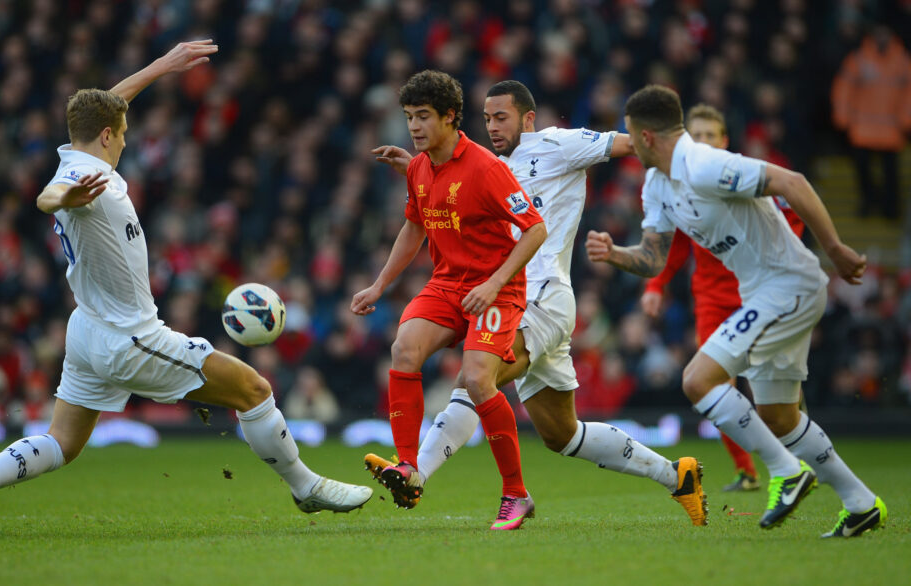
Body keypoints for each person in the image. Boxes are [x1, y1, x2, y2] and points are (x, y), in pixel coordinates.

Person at [0, 40, 372, 537]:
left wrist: (161, 66)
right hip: (130, 339)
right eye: (123, 135)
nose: (125, 142)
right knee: (254, 390)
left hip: (86, 330)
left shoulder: (75, 152)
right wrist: (65, 198)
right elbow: (48, 196)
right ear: (107, 136)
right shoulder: (83, 177)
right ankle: (305, 486)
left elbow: (107, 107)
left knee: (62, 442)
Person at [365, 80, 709, 527]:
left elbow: (634, 144)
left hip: (539, 296)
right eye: (487, 119)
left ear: (528, 118)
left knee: (476, 379)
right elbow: (453, 196)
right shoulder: (485, 164)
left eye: (502, 117)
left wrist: (693, 155)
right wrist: (416, 167)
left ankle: (416, 474)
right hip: (514, 299)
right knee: (562, 434)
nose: (493, 127)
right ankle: (676, 475)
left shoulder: (558, 144)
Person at [585, 84, 887, 536]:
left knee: (697, 380)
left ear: (647, 136)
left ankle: (787, 471)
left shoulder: (706, 164)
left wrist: (835, 249)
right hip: (764, 293)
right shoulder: (657, 184)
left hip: (789, 286)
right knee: (779, 417)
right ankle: (861, 502)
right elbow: (653, 257)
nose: (629, 144)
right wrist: (614, 254)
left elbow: (792, 182)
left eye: (630, 134)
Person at [350, 71, 547, 530]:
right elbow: (414, 227)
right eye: (408, 117)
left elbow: (535, 229)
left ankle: (516, 494)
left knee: (477, 379)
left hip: (495, 288)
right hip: (446, 284)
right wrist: (379, 285)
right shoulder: (418, 167)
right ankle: (407, 467)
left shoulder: (486, 168)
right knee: (403, 348)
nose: (414, 127)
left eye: (423, 116)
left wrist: (494, 283)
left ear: (450, 117)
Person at [640, 103, 805, 493]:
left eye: (709, 135)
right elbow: (675, 246)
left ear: (725, 141)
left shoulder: (744, 174)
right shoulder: (680, 185)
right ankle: (747, 470)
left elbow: (791, 216)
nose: (702, 142)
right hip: (712, 300)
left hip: (760, 294)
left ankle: (798, 460)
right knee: (714, 386)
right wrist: (654, 286)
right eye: (695, 135)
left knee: (773, 391)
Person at [831, 24, 911, 218]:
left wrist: (905, 119)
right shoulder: (860, 59)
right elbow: (843, 89)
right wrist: (843, 116)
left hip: (890, 129)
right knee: (863, 171)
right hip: (863, 128)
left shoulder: (901, 60)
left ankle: (891, 208)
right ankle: (869, 202)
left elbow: (909, 93)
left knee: (890, 173)